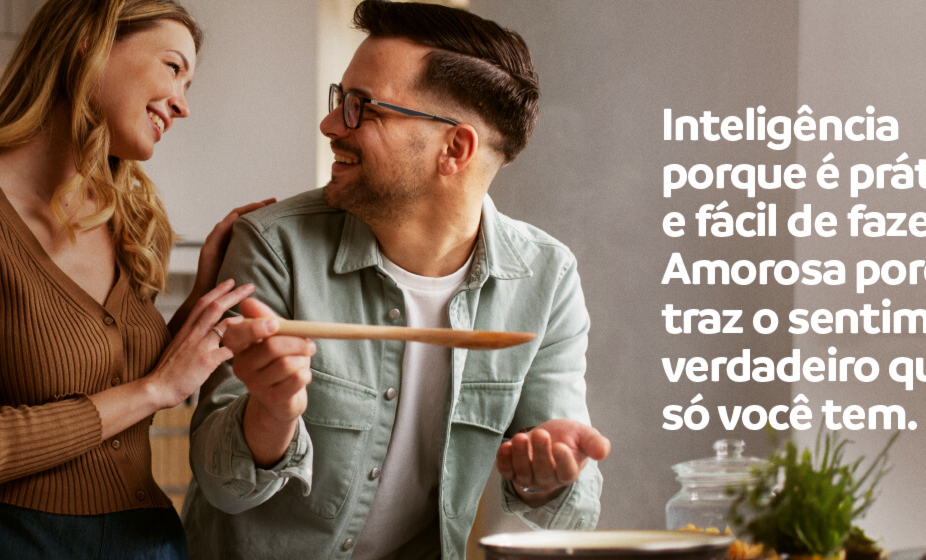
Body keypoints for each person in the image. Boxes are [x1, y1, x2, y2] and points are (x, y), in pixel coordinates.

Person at [183, 2, 611, 558]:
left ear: (454, 149)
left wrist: (549, 474)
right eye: (342, 99)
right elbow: (222, 485)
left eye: (362, 107)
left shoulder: (546, 278)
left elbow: (571, 507)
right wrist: (271, 410)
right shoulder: (273, 244)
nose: (332, 124)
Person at [0, 0, 272, 558]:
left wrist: (197, 305)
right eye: (173, 67)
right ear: (89, 44)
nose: (184, 105)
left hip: (148, 541)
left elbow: (123, 387)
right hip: (8, 543)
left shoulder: (129, 217)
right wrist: (157, 389)